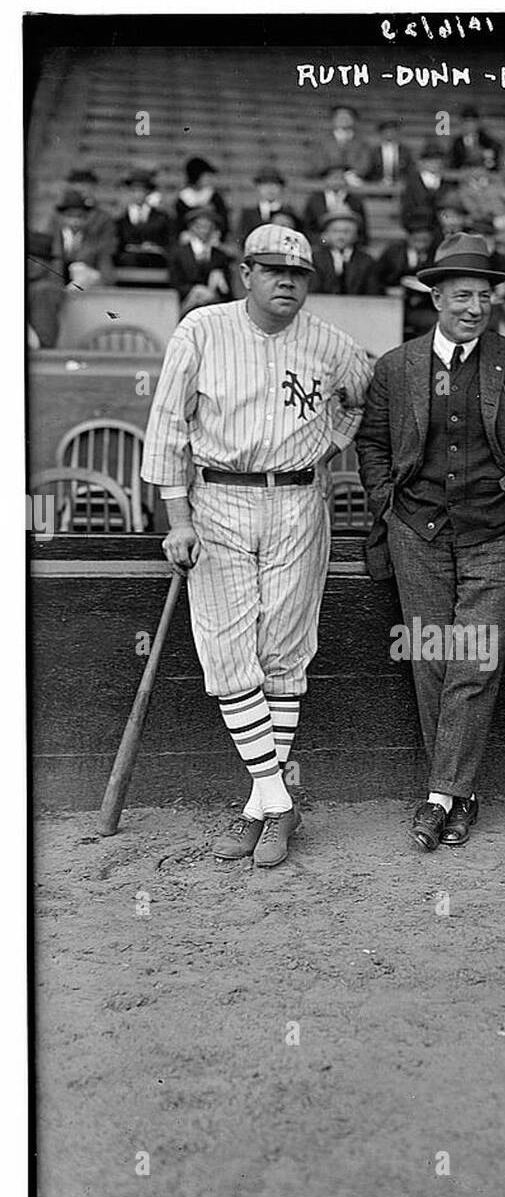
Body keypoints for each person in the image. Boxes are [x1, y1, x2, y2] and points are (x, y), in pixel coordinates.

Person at [141, 224, 372, 867]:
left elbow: (363, 396)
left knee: (284, 652)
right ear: (246, 273)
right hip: (218, 498)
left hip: (299, 499)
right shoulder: (202, 329)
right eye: (274, 271)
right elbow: (167, 425)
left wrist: (329, 441)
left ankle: (257, 808)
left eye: (299, 275)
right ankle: (279, 799)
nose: (288, 283)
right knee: (226, 656)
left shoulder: (330, 342)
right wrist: (178, 516)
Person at [356, 233, 505, 852]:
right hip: (417, 531)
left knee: (475, 659)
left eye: (483, 296)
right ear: (436, 297)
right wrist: (384, 501)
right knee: (432, 657)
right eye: (462, 296)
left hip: (498, 532)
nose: (474, 307)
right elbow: (369, 443)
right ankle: (459, 794)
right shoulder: (398, 366)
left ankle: (439, 795)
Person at [375, 211, 438, 337]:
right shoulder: (393, 253)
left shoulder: (438, 254)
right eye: (416, 237)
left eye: (425, 239)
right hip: (393, 304)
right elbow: (376, 279)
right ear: (408, 236)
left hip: (427, 306)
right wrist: (388, 290)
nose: (420, 242)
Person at [168, 205, 233, 313]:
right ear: (191, 228)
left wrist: (218, 285)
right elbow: (175, 282)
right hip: (185, 302)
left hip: (213, 306)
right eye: (200, 226)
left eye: (209, 227)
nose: (204, 231)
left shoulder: (220, 255)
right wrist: (195, 290)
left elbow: (227, 290)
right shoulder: (178, 252)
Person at [51, 188, 116, 288]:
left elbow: (105, 268)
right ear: (63, 217)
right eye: (70, 216)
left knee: (79, 269)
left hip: (85, 287)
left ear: (86, 219)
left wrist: (105, 281)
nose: (75, 221)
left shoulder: (93, 238)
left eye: (80, 217)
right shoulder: (51, 237)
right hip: (56, 285)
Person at [309, 209, 380, 295]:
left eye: (346, 232)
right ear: (326, 235)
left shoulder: (366, 260)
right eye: (335, 231)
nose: (340, 236)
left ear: (356, 235)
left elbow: (373, 292)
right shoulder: (315, 258)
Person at [115, 168, 173, 268]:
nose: (138, 194)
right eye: (134, 190)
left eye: (141, 190)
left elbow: (169, 240)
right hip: (128, 261)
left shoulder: (162, 217)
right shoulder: (120, 218)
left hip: (155, 260)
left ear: (147, 192)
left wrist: (157, 248)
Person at [236, 166, 303, 246]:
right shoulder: (248, 214)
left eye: (275, 184)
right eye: (265, 184)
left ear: (281, 188)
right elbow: (241, 240)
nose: (270, 188)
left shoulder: (290, 213)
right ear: (258, 187)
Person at [303, 164, 368, 245]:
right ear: (326, 179)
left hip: (349, 247)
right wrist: (323, 240)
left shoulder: (355, 201)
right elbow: (307, 229)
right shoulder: (314, 200)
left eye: (340, 178)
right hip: (321, 246)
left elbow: (362, 233)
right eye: (333, 177)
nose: (337, 181)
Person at [309, 104, 369, 183]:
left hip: (353, 180)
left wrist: (349, 175)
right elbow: (318, 162)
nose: (343, 119)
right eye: (339, 116)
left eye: (347, 116)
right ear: (333, 119)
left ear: (353, 120)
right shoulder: (322, 141)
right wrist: (332, 174)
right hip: (326, 179)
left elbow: (364, 165)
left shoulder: (362, 143)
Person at [174, 156, 230, 241]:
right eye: (205, 176)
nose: (209, 179)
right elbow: (179, 224)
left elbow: (224, 221)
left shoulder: (214, 196)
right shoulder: (183, 198)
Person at [400, 141, 449, 225]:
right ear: (422, 162)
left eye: (438, 159)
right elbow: (407, 210)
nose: (435, 163)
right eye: (431, 160)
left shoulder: (445, 183)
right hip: (418, 227)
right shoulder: (412, 183)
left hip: (441, 229)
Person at [448, 105, 502, 172]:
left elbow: (494, 162)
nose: (469, 127)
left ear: (478, 124)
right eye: (466, 123)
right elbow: (453, 164)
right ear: (461, 124)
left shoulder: (489, 142)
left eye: (472, 123)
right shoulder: (457, 142)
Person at [362, 117, 415, 185]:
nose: (389, 133)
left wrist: (403, 181)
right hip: (377, 184)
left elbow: (410, 170)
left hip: (400, 185)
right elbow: (368, 170)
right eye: (386, 131)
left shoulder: (405, 151)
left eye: (392, 130)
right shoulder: (373, 152)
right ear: (381, 133)